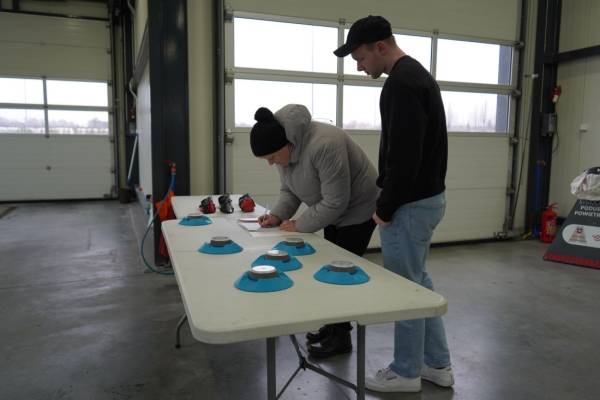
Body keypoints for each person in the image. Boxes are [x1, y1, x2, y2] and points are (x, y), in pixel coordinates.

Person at [334, 15, 453, 392]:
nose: (358, 66)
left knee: (406, 291)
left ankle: (406, 372)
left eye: (360, 57)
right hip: (428, 199)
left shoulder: (400, 84)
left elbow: (404, 158)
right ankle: (437, 364)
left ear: (380, 47)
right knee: (419, 286)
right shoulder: (418, 76)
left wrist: (384, 208)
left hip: (410, 205)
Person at [250, 104, 378, 359]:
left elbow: (336, 201)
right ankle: (332, 326)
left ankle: (341, 338)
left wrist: (299, 224)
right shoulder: (285, 148)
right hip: (331, 210)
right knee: (327, 269)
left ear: (287, 144)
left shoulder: (325, 144)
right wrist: (277, 215)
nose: (271, 163)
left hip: (358, 210)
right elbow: (289, 190)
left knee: (341, 273)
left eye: (272, 157)